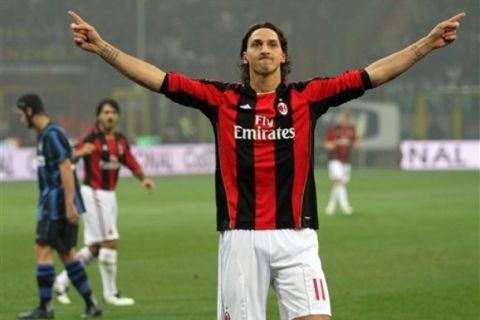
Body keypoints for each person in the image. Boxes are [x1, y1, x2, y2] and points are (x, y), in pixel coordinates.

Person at [67, 10, 465, 320]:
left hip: (298, 236)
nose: (264, 49)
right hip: (241, 238)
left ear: (283, 54)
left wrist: (425, 45)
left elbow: (371, 75)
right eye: (256, 43)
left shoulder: (308, 97)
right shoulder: (219, 99)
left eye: (272, 43)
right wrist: (104, 48)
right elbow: (158, 78)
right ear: (245, 54)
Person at [54, 98, 155, 306]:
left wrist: (143, 178)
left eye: (113, 112)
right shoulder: (91, 138)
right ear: (99, 116)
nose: (110, 116)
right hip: (94, 194)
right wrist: (81, 152)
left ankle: (61, 281)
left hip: (110, 196)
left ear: (117, 117)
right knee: (110, 241)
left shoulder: (120, 140)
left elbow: (129, 160)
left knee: (96, 247)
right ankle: (111, 294)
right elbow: (69, 159)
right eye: (106, 112)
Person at [15, 94, 102, 319]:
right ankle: (91, 304)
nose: (20, 118)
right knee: (66, 254)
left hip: (56, 204)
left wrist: (68, 205)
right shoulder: (48, 134)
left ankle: (46, 308)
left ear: (30, 111)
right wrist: (79, 154)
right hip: (54, 202)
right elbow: (67, 159)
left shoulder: (51, 134)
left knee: (42, 249)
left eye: (20, 113)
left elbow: (65, 166)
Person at [324, 110, 359, 215]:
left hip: (346, 161)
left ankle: (331, 206)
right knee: (339, 181)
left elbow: (355, 143)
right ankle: (345, 206)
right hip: (334, 160)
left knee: (339, 184)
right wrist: (331, 145)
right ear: (341, 118)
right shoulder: (334, 130)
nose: (346, 120)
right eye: (344, 118)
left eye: (348, 118)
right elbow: (326, 143)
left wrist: (356, 144)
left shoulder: (351, 130)